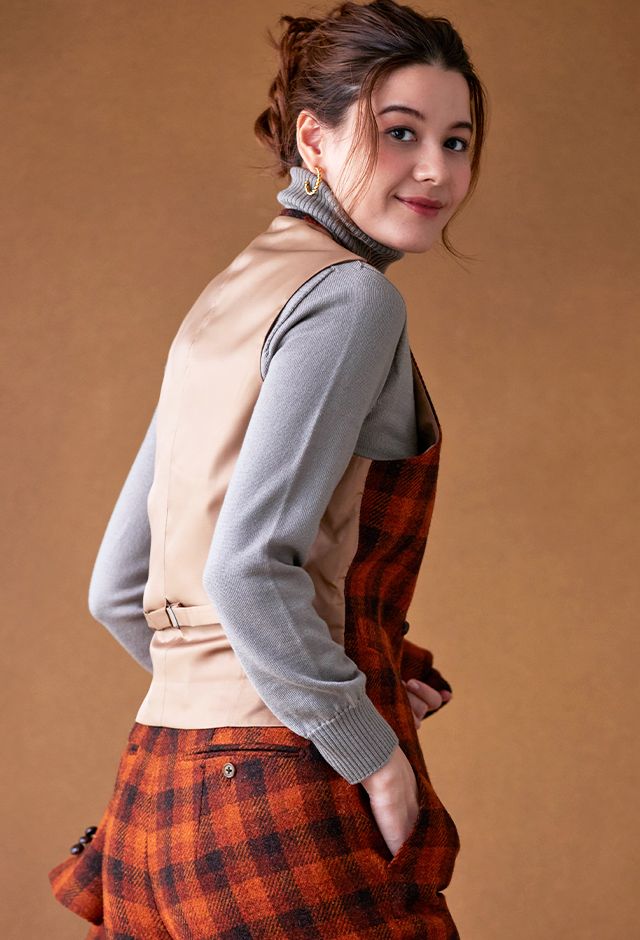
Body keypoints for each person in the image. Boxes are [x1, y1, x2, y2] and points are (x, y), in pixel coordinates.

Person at [48, 1, 487, 936]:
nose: (435, 169)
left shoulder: (230, 294)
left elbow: (119, 588)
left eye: (457, 141)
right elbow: (247, 569)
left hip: (152, 801)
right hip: (275, 816)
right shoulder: (353, 299)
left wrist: (327, 677)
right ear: (314, 139)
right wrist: (364, 747)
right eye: (400, 132)